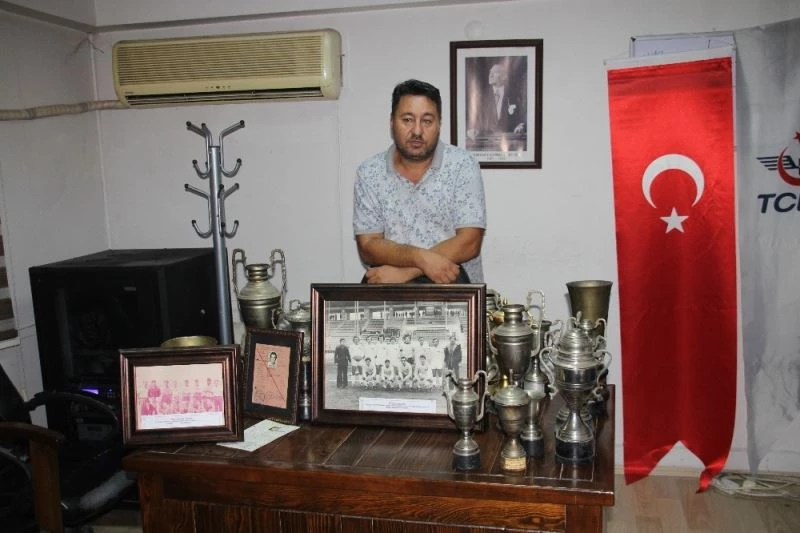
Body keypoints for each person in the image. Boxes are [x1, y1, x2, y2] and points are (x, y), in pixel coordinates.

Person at [353, 79, 486, 284]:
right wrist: (421, 259)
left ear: (439, 124)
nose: (417, 131)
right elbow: (368, 246)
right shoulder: (370, 173)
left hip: (456, 291)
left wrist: (407, 272)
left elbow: (470, 242)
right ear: (392, 122)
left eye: (427, 121)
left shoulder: (462, 165)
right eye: (407, 120)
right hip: (389, 293)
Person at [467, 61, 526, 145]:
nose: (490, 75)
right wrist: (472, 129)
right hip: (486, 143)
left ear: (504, 77)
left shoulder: (514, 95)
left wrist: (520, 126)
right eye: (490, 72)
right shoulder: (481, 97)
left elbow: (520, 118)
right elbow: (475, 120)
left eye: (495, 72)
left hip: (509, 142)